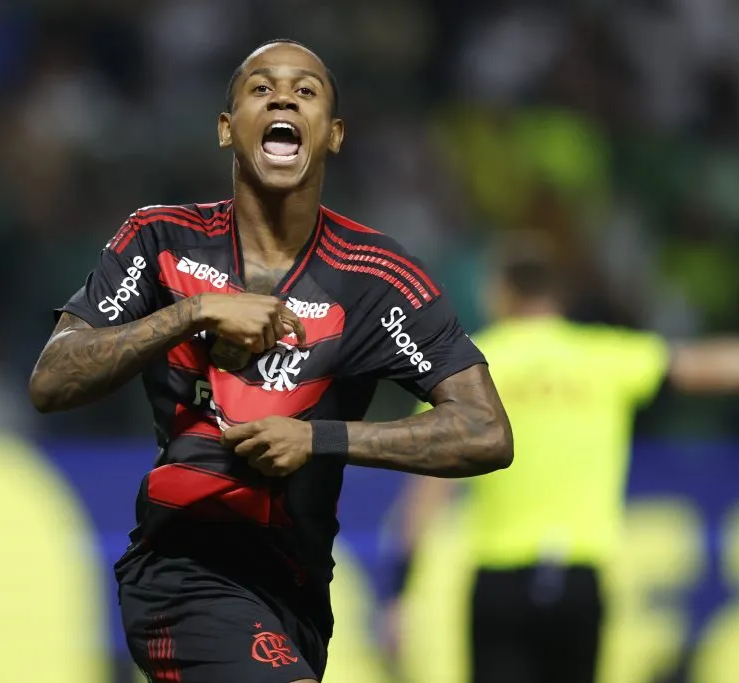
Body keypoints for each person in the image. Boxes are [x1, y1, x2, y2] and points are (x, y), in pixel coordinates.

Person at [28, 39, 514, 683]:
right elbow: (51, 379)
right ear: (227, 129)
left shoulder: (377, 279)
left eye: (306, 90)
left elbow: (487, 432)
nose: (283, 96)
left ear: (333, 135)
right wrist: (192, 312)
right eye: (261, 88)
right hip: (180, 574)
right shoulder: (160, 238)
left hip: (298, 598)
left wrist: (318, 439)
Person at [387, 233, 739, 683]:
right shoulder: (602, 358)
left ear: (499, 291)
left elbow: (427, 496)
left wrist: (402, 591)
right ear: (556, 293)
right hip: (580, 577)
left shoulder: (465, 370)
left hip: (500, 579)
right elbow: (706, 367)